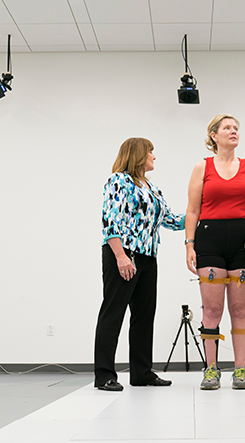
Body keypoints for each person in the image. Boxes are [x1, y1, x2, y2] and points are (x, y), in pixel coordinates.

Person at [94, 137, 185, 391]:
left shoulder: (153, 189)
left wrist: (197, 214)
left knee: (144, 316)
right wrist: (121, 256)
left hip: (148, 257)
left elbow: (170, 220)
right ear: (137, 154)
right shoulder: (118, 180)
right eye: (151, 152)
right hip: (122, 255)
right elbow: (109, 221)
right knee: (113, 313)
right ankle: (104, 375)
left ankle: (142, 372)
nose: (154, 156)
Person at [185, 114, 245, 390]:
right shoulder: (202, 167)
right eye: (227, 128)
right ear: (214, 135)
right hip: (209, 240)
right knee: (213, 308)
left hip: (241, 242)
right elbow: (193, 210)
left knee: (240, 308)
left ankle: (240, 370)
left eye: (236, 128)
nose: (233, 132)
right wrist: (189, 244)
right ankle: (211, 369)